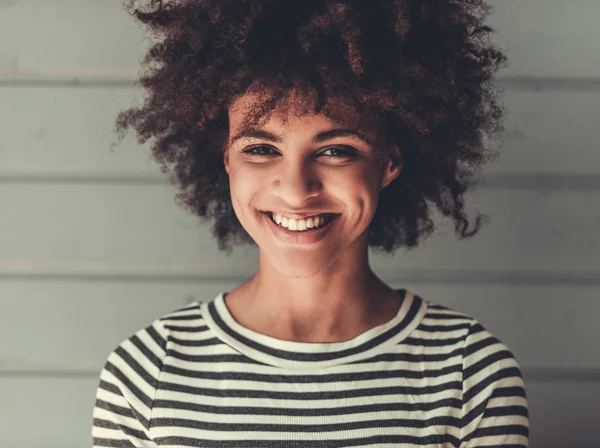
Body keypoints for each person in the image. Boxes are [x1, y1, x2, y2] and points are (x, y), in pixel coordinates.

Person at [92, 0, 529, 446]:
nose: (297, 191)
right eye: (261, 150)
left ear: (389, 162)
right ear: (227, 160)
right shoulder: (147, 373)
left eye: (336, 150)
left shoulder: (468, 372)